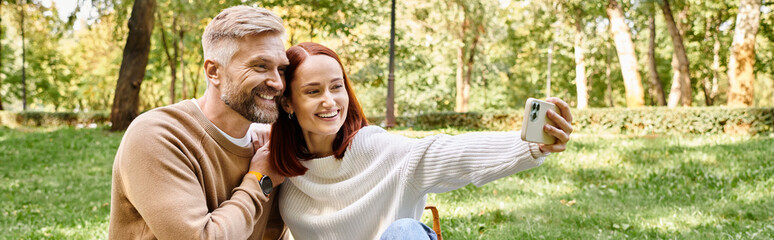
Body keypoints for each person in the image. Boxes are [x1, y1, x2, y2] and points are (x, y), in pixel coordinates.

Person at [269, 42, 574, 239]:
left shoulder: (376, 150)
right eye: (313, 91)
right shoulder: (284, 171)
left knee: (404, 232)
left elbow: (452, 154)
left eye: (337, 87)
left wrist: (531, 145)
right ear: (287, 103)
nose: (330, 101)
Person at [109, 6, 290, 239]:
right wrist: (260, 179)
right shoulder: (157, 135)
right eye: (260, 66)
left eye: (282, 69)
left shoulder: (265, 146)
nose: (277, 83)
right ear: (214, 71)